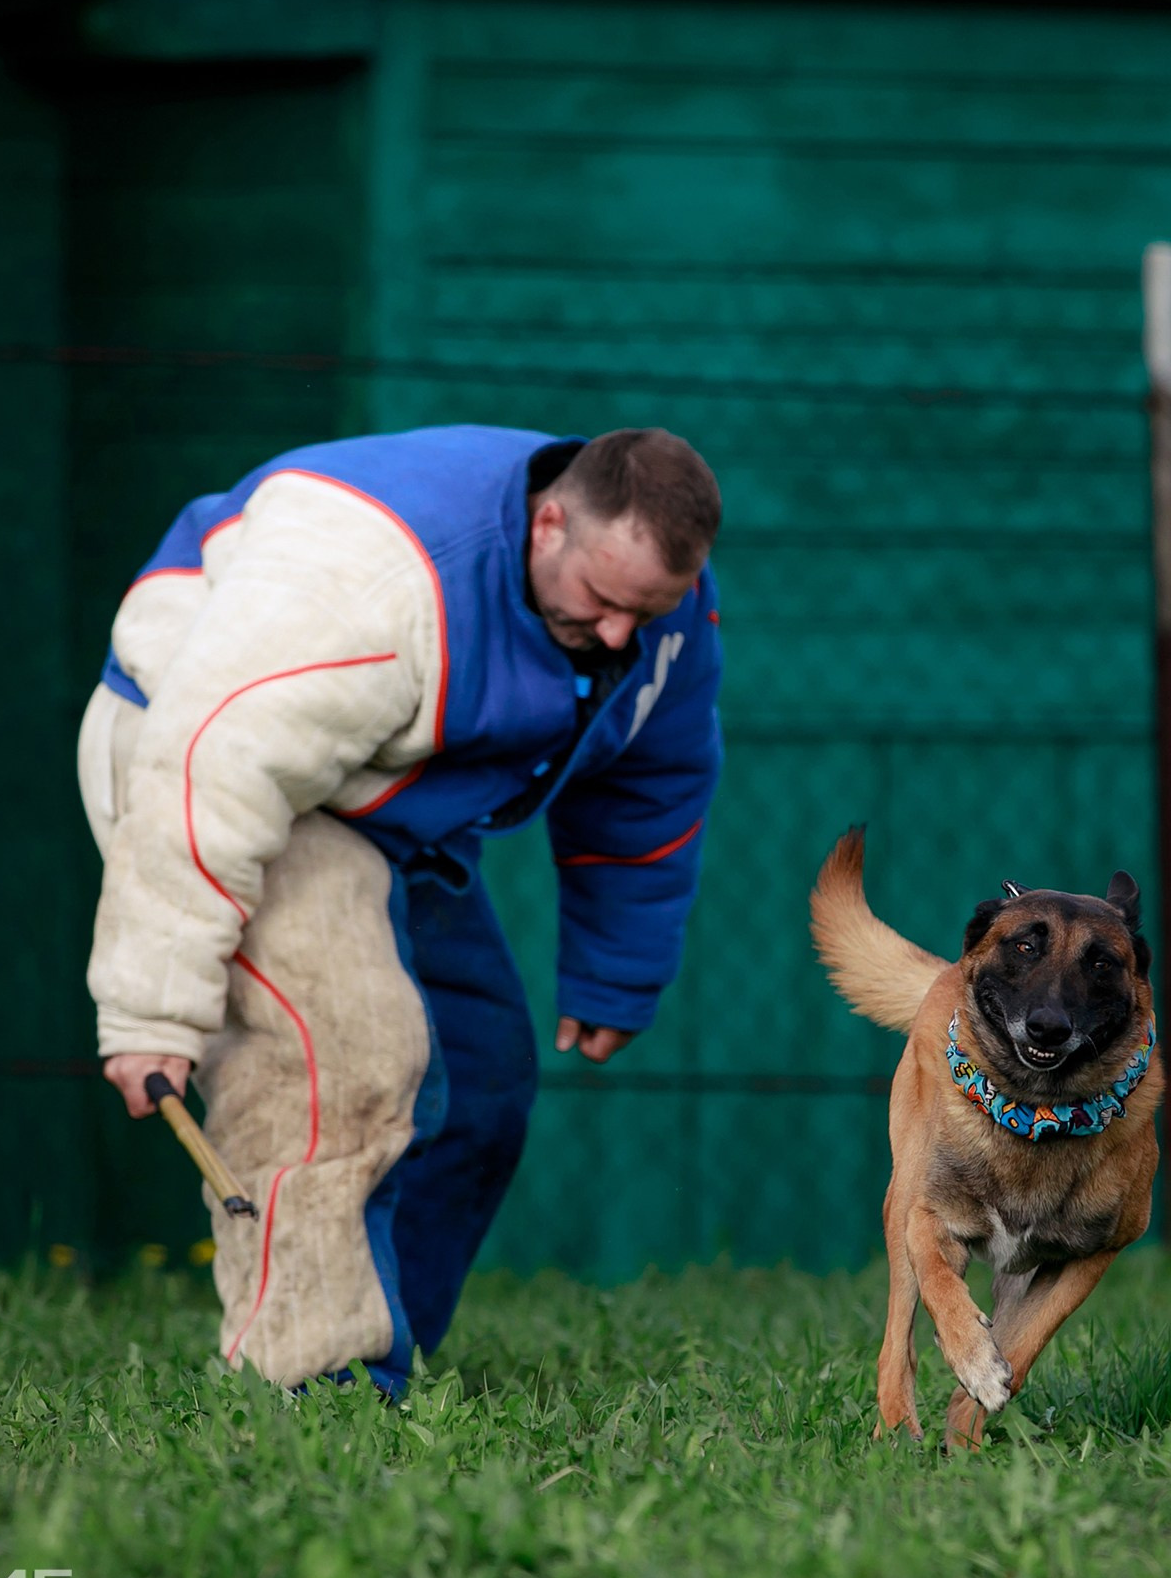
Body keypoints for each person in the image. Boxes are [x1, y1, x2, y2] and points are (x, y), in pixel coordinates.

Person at [77, 426, 722, 1396]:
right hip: (194, 753)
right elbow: (209, 764)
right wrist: (151, 1011)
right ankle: (310, 1385)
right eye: (602, 599)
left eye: (650, 609)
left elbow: (652, 776)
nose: (620, 635)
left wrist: (615, 971)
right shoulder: (371, 583)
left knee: (481, 1082)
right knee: (343, 1057)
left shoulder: (658, 609)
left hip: (387, 796)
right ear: (549, 524)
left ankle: (389, 1348)